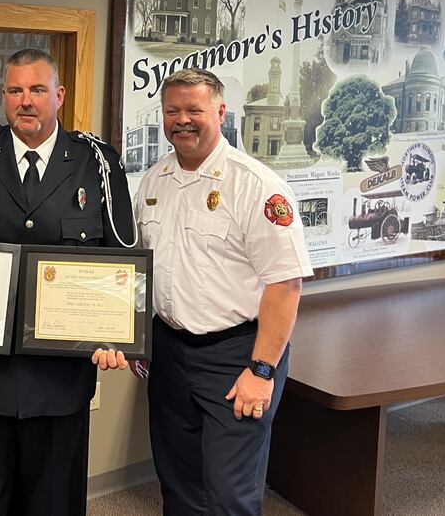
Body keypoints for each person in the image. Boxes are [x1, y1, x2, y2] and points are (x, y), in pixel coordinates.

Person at [0, 48, 134, 516]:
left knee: (52, 504)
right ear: (4, 96)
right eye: (15, 90)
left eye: (37, 89)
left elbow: (118, 261)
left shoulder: (97, 163)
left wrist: (117, 335)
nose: (25, 101)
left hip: (59, 380)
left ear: (59, 95)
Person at [131, 68, 312, 515]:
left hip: (236, 356)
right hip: (169, 353)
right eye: (172, 111)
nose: (182, 120)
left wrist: (262, 371)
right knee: (178, 482)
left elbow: (286, 284)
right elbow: (141, 267)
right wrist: (134, 337)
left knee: (230, 493)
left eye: (194, 109)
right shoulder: (154, 180)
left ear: (220, 112)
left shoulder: (256, 185)